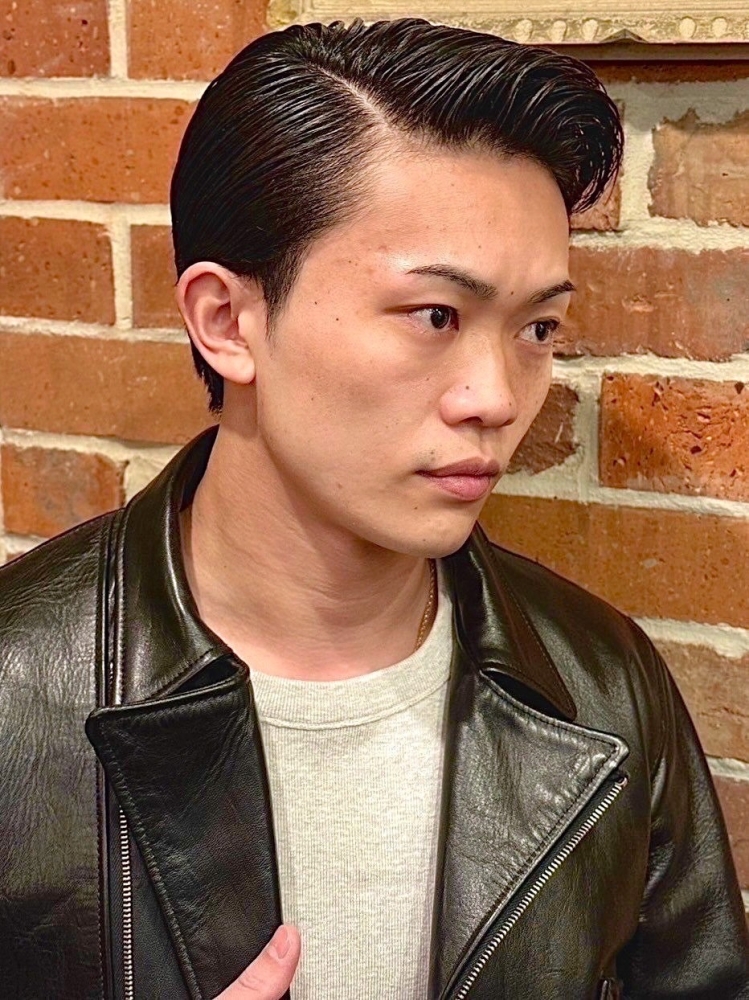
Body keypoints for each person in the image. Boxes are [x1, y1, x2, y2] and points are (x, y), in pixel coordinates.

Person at [1, 16, 747, 1000]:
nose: (495, 397)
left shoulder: (599, 682)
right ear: (227, 321)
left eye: (536, 328)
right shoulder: (19, 691)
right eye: (434, 315)